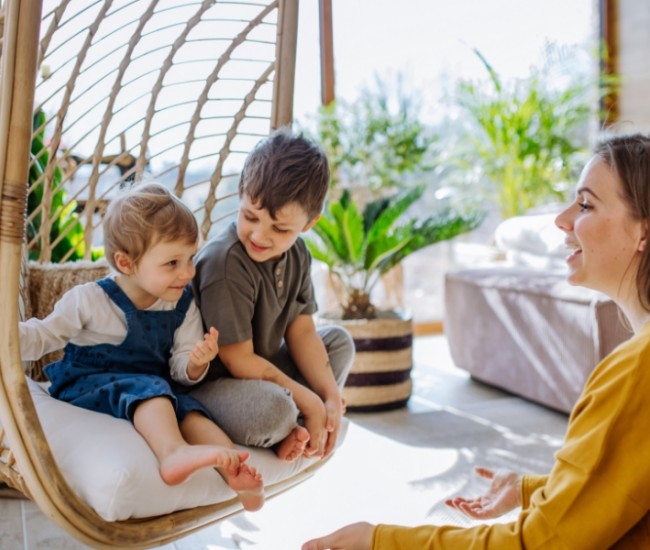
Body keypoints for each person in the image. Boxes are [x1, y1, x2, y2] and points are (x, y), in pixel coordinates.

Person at [302, 132, 650, 549]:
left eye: (586, 204)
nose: (561, 218)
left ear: (643, 232)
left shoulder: (634, 371)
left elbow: (539, 543)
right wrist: (531, 490)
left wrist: (379, 542)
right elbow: (627, 487)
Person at [19, 182, 264, 512]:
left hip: (153, 391)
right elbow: (43, 336)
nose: (187, 272)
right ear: (125, 263)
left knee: (188, 410)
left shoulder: (182, 304)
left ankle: (235, 471)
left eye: (190, 258)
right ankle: (172, 454)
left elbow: (179, 367)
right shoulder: (91, 300)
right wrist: (10, 338)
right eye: (172, 263)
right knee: (153, 391)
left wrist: (195, 363)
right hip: (87, 385)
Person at [189, 128, 355, 462]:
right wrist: (309, 400)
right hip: (216, 384)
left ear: (309, 224)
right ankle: (290, 423)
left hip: (265, 372)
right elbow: (238, 361)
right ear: (241, 195)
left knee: (338, 342)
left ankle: (298, 426)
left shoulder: (298, 254)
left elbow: (302, 331)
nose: (259, 235)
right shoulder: (225, 262)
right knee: (274, 411)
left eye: (280, 229)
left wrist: (330, 396)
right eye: (250, 216)